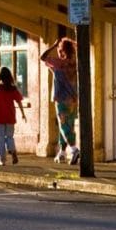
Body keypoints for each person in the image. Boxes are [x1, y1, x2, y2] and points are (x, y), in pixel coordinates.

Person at [41, 36, 79, 164]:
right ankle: (62, 153)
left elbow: (43, 57)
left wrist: (53, 45)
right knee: (69, 126)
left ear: (61, 50)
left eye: (59, 49)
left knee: (63, 126)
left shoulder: (58, 63)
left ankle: (74, 150)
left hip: (61, 99)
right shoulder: (75, 64)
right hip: (73, 100)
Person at [0, 66, 26, 166]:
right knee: (10, 137)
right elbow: (19, 102)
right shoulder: (13, 89)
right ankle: (12, 150)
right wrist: (23, 114)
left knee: (0, 138)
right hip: (10, 117)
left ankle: (2, 160)